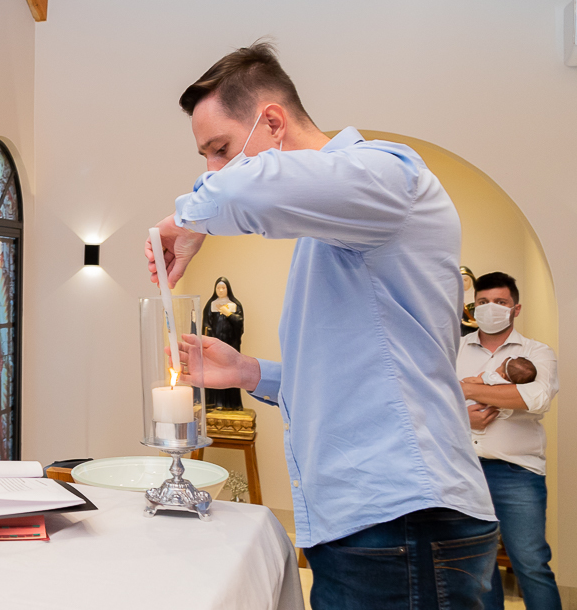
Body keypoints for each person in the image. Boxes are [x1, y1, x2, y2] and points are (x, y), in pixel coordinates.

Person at [144, 41, 497, 610]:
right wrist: (249, 371)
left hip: (405, 520)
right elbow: (364, 368)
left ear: (273, 121)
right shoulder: (331, 227)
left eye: (220, 149)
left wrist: (189, 220)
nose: (211, 170)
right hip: (364, 527)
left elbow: (238, 189)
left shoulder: (389, 174)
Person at [456, 271, 560, 610]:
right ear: (474, 307)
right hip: (464, 471)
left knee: (531, 564)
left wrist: (468, 389)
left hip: (518, 474)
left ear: (515, 309)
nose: (491, 308)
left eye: (500, 302)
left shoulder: (537, 352)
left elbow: (536, 398)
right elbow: (428, 400)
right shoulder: (453, 349)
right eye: (483, 302)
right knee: (479, 570)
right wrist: (462, 413)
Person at [201, 277, 244, 409]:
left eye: (223, 288)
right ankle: (214, 402)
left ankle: (231, 404)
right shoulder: (211, 304)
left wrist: (229, 314)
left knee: (230, 373)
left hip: (230, 344)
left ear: (228, 289)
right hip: (214, 345)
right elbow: (206, 323)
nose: (220, 290)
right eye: (218, 288)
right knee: (214, 373)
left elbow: (239, 324)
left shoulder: (235, 304)